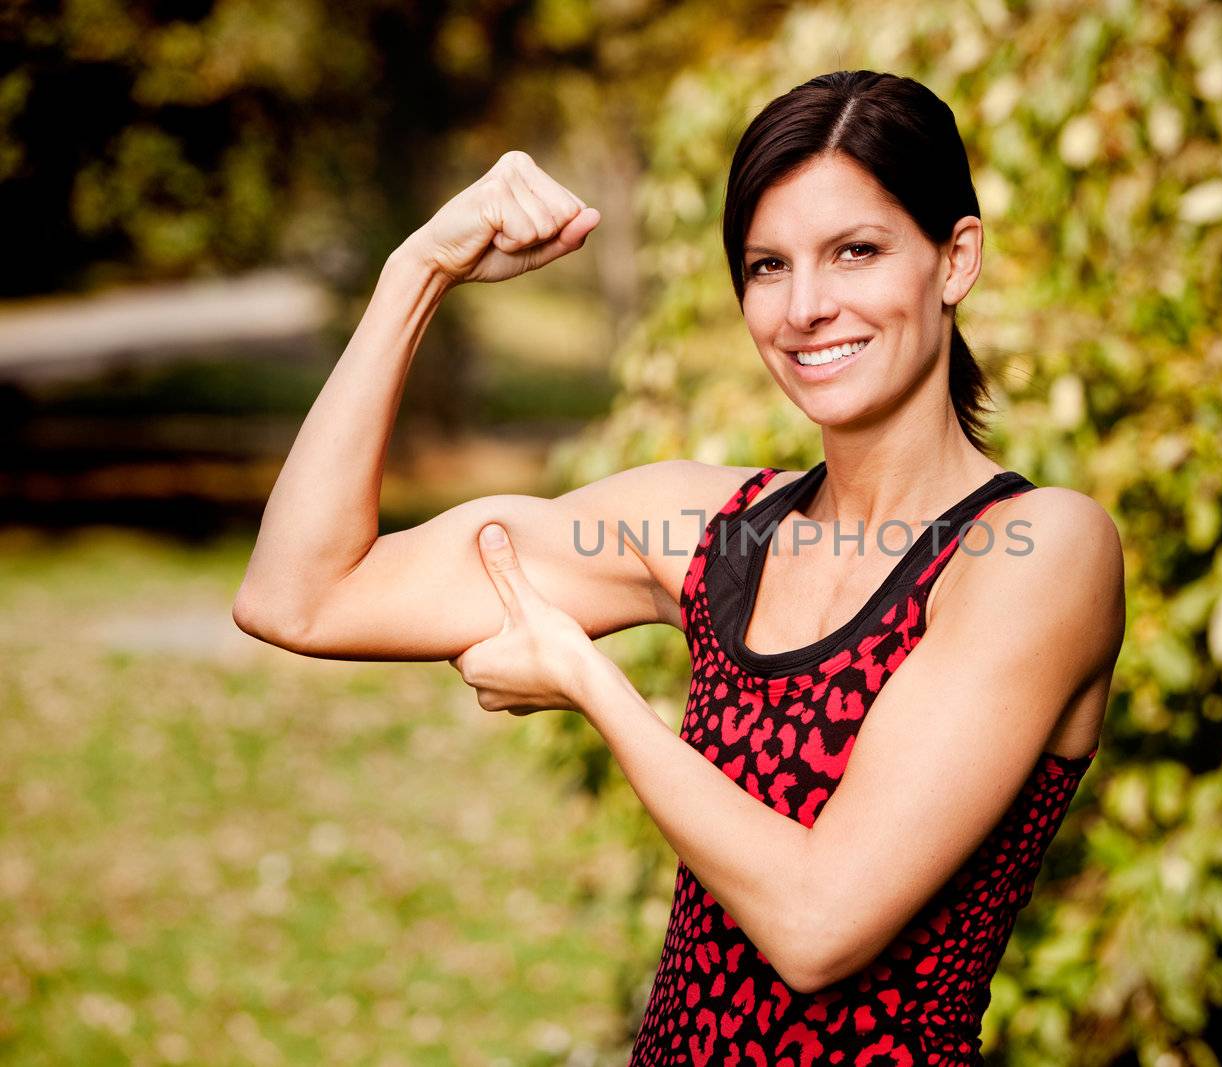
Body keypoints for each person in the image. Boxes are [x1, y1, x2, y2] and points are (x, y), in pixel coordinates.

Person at [234, 69, 1124, 1065]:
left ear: (954, 259)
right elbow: (300, 594)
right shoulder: (710, 527)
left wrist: (587, 681)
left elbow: (820, 926)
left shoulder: (1040, 549)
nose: (806, 307)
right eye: (767, 265)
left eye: (856, 251)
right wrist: (417, 273)